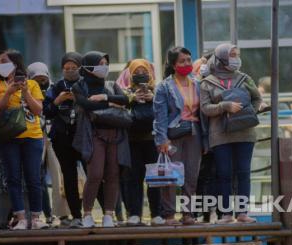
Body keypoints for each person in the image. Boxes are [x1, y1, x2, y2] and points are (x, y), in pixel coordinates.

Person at [200, 43, 262, 224]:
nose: (236, 59)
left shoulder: (244, 78)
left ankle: (242, 212)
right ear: (221, 58)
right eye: (232, 55)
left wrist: (250, 112)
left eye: (237, 55)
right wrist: (224, 106)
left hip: (245, 132)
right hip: (220, 134)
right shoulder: (207, 82)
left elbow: (257, 97)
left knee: (243, 172)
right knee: (224, 173)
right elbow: (205, 108)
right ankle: (226, 214)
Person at [72, 51, 131, 228]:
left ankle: (109, 214)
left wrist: (105, 97)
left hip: (115, 135)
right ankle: (87, 213)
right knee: (95, 174)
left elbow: (125, 100)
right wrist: (111, 104)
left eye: (106, 63)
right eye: (100, 63)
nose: (104, 67)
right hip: (93, 135)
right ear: (89, 66)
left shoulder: (112, 85)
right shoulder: (79, 86)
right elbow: (86, 104)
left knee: (113, 174)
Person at [153, 46, 208, 225]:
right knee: (170, 175)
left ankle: (188, 214)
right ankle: (169, 215)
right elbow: (159, 116)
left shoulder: (198, 83)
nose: (187, 64)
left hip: (195, 133)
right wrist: (162, 139)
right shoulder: (164, 86)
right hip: (173, 133)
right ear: (173, 64)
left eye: (188, 60)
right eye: (182, 61)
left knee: (192, 175)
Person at [0, 49, 49, 230]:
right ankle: (20, 218)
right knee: (13, 178)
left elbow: (38, 110)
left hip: (32, 137)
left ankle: (36, 218)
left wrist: (25, 92)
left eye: (4, 61)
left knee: (34, 178)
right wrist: (8, 93)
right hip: (8, 138)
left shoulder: (32, 84)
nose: (0, 65)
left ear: (15, 64)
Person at [43, 52, 85, 228]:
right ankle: (76, 215)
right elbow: (46, 112)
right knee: (69, 177)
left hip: (84, 137)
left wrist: (79, 99)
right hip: (62, 139)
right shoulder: (56, 87)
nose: (70, 71)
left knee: (94, 175)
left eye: (74, 68)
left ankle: (100, 213)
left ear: (80, 68)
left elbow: (94, 108)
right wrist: (58, 100)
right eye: (66, 68)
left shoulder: (86, 85)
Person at [121, 58, 164, 226]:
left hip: (152, 140)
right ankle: (134, 214)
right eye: (136, 72)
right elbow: (118, 109)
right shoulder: (124, 92)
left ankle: (156, 214)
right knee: (133, 178)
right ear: (130, 74)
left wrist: (153, 98)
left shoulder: (158, 91)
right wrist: (132, 98)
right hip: (131, 141)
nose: (140, 75)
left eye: (144, 72)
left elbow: (168, 111)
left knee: (154, 179)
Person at [27, 62, 55, 224]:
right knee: (39, 177)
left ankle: (58, 213)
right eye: (36, 79)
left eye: (43, 78)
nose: (40, 82)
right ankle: (46, 212)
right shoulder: (26, 91)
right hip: (34, 138)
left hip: (52, 138)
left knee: (57, 178)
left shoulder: (54, 90)